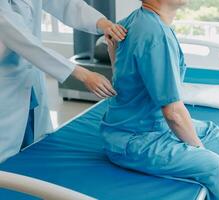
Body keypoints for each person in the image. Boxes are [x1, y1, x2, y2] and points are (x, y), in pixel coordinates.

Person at [101, 0, 219, 200]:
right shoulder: (155, 34)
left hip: (156, 125)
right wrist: (198, 149)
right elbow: (173, 113)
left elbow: (120, 75)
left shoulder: (134, 22)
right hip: (134, 137)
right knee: (213, 166)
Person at [0, 0, 127, 163]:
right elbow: (22, 40)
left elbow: (64, 3)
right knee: (7, 159)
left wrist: (103, 23)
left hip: (29, 79)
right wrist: (83, 74)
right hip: (6, 84)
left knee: (34, 150)